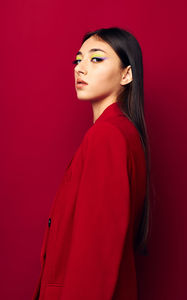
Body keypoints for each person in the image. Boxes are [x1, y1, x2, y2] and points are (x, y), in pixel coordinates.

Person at [32, 26, 150, 300]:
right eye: (78, 59)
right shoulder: (123, 133)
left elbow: (95, 254)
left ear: (127, 74)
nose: (80, 68)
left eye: (96, 58)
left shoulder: (107, 137)